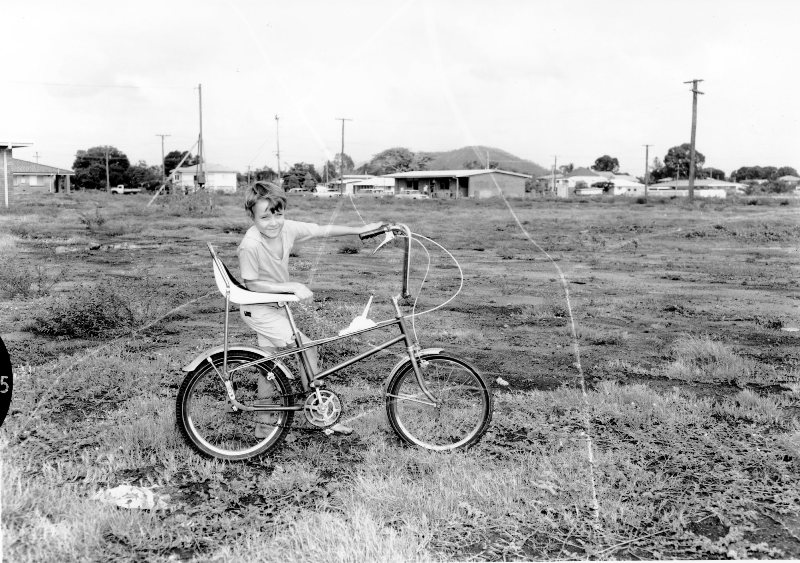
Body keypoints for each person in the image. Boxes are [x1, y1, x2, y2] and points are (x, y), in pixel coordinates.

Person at [238, 181, 382, 437]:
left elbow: (321, 230)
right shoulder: (250, 245)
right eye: (264, 217)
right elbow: (251, 283)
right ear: (252, 216)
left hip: (277, 307)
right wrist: (291, 286)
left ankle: (263, 425)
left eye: (278, 214)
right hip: (258, 309)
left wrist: (360, 229)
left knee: (269, 366)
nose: (273, 222)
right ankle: (323, 416)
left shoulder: (286, 229)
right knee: (308, 348)